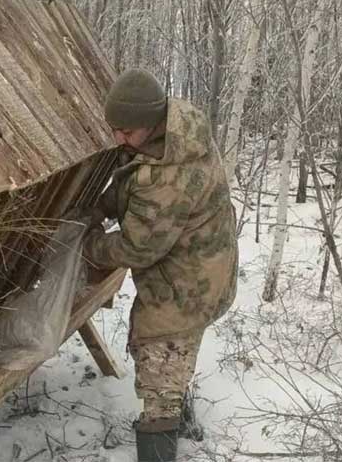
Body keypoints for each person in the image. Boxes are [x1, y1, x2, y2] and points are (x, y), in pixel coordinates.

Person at [82, 68, 238, 462]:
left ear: (150, 124)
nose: (118, 139)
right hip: (206, 264)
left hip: (187, 283)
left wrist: (89, 246)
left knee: (160, 366)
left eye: (127, 132)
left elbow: (137, 248)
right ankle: (180, 416)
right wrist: (100, 206)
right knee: (173, 356)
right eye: (114, 128)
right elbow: (133, 176)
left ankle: (163, 435)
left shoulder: (171, 176)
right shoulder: (174, 132)